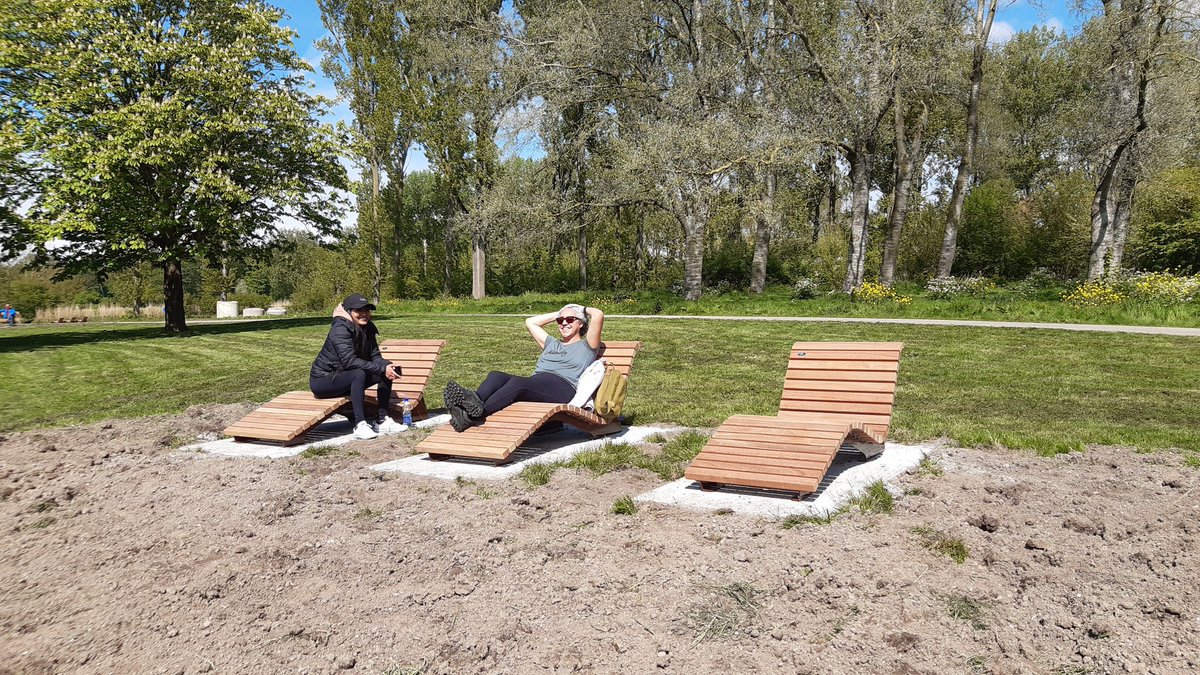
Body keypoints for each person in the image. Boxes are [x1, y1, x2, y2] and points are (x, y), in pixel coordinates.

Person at [443, 303, 605, 432]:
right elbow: (530, 322)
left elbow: (598, 314)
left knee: (518, 384)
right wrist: (561, 312)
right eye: (560, 320)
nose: (563, 323)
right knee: (496, 375)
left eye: (570, 319)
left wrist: (579, 308)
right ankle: (471, 402)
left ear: (581, 323)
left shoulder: (587, 346)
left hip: (563, 389)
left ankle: (471, 416)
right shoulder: (551, 343)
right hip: (537, 384)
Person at [310, 294, 408, 440]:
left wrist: (387, 366)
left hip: (345, 377)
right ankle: (360, 425)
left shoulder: (368, 328)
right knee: (358, 373)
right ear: (348, 311)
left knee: (385, 371)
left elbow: (375, 356)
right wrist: (381, 368)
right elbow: (349, 361)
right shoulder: (340, 328)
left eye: (367, 310)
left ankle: (382, 421)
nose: (364, 314)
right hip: (322, 381)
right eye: (358, 310)